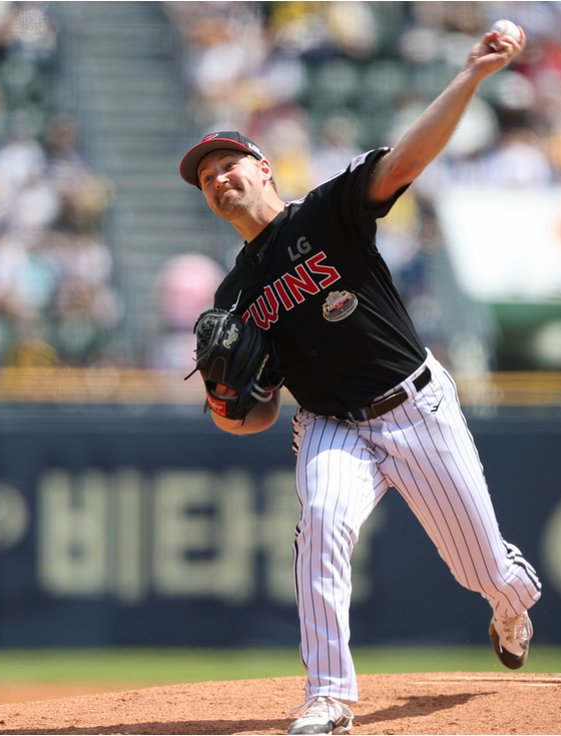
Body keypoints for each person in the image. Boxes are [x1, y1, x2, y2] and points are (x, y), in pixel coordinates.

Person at [179, 25, 540, 736]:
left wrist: (470, 74)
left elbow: (407, 160)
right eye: (206, 177)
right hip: (330, 424)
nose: (217, 179)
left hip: (415, 406)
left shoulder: (327, 214)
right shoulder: (233, 296)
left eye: (227, 164)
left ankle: (510, 600)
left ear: (263, 168)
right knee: (321, 522)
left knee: (481, 572)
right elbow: (251, 415)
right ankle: (329, 698)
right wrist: (223, 401)